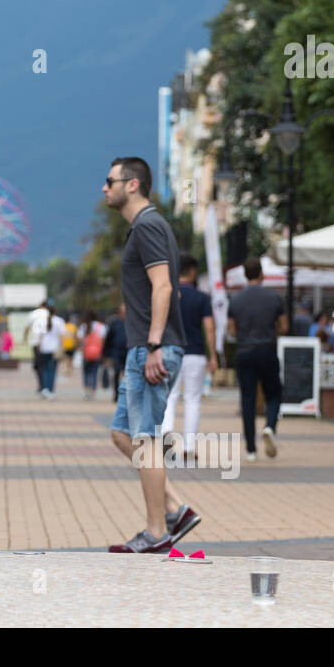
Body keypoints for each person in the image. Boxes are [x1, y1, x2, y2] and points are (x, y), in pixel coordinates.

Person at [102, 158, 198, 554]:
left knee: (144, 441)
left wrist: (155, 345)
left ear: (133, 184)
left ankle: (157, 530)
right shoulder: (143, 228)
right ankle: (176, 509)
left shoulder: (148, 226)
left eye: (110, 181)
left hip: (151, 349)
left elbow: (163, 287)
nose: (104, 188)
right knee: (122, 434)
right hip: (143, 348)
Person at [227, 256, 287, 461]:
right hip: (267, 350)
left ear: (245, 275)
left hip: (244, 352)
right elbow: (285, 326)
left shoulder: (235, 299)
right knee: (274, 393)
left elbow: (232, 331)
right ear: (262, 273)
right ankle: (270, 425)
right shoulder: (274, 298)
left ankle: (251, 449)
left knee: (248, 400)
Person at [160, 256, 217, 460]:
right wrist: (214, 355)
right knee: (193, 399)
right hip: (195, 353)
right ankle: (188, 447)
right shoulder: (202, 298)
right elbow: (209, 328)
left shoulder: (169, 295)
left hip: (170, 350)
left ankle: (167, 430)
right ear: (192, 272)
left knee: (170, 395)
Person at [78, 309, 107, 401]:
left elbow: (79, 339)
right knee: (94, 372)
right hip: (97, 353)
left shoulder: (83, 326)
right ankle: (93, 391)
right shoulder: (101, 326)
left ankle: (87, 391)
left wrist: (82, 350)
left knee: (86, 372)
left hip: (86, 352)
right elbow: (103, 341)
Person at [103, 303, 129, 401]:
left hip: (128, 352)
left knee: (127, 374)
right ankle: (116, 394)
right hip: (116, 352)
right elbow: (108, 340)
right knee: (116, 373)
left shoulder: (131, 323)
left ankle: (126, 394)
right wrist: (106, 355)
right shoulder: (114, 323)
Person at [37, 304, 64, 399]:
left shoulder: (43, 321)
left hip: (44, 348)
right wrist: (62, 346)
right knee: (52, 370)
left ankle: (44, 389)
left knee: (44, 369)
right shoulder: (59, 321)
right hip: (54, 349)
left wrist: (39, 347)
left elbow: (40, 336)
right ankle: (50, 390)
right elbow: (61, 336)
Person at [24, 301, 50, 395]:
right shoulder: (50, 314)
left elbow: (27, 328)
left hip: (36, 344)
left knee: (39, 366)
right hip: (49, 346)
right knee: (49, 367)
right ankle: (48, 387)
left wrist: (25, 339)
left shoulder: (34, 314)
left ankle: (42, 386)